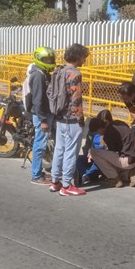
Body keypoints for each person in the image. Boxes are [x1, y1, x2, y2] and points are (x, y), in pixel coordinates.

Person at [48, 44, 89, 196]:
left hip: (59, 117)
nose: (84, 60)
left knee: (59, 149)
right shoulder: (75, 73)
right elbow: (76, 98)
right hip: (71, 119)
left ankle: (55, 182)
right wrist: (80, 118)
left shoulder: (58, 71)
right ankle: (66, 185)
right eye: (84, 57)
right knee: (71, 151)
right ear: (78, 56)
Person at [88, 111, 135, 188]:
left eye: (97, 132)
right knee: (112, 160)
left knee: (94, 152)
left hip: (128, 161)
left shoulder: (108, 133)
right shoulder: (119, 122)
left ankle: (115, 179)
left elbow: (113, 152)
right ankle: (131, 173)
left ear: (99, 129)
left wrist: (103, 141)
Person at [27, 47, 56, 186]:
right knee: (40, 145)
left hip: (45, 114)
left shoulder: (43, 73)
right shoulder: (38, 75)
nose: (50, 62)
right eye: (47, 59)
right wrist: (43, 120)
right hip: (41, 115)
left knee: (41, 143)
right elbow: (37, 100)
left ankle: (39, 172)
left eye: (51, 59)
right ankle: (36, 175)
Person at [76, 110, 112, 186]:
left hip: (103, 159)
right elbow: (87, 145)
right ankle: (86, 174)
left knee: (98, 162)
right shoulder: (92, 131)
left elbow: (110, 151)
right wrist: (89, 152)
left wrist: (96, 155)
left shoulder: (110, 132)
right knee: (77, 159)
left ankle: (87, 175)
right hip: (92, 156)